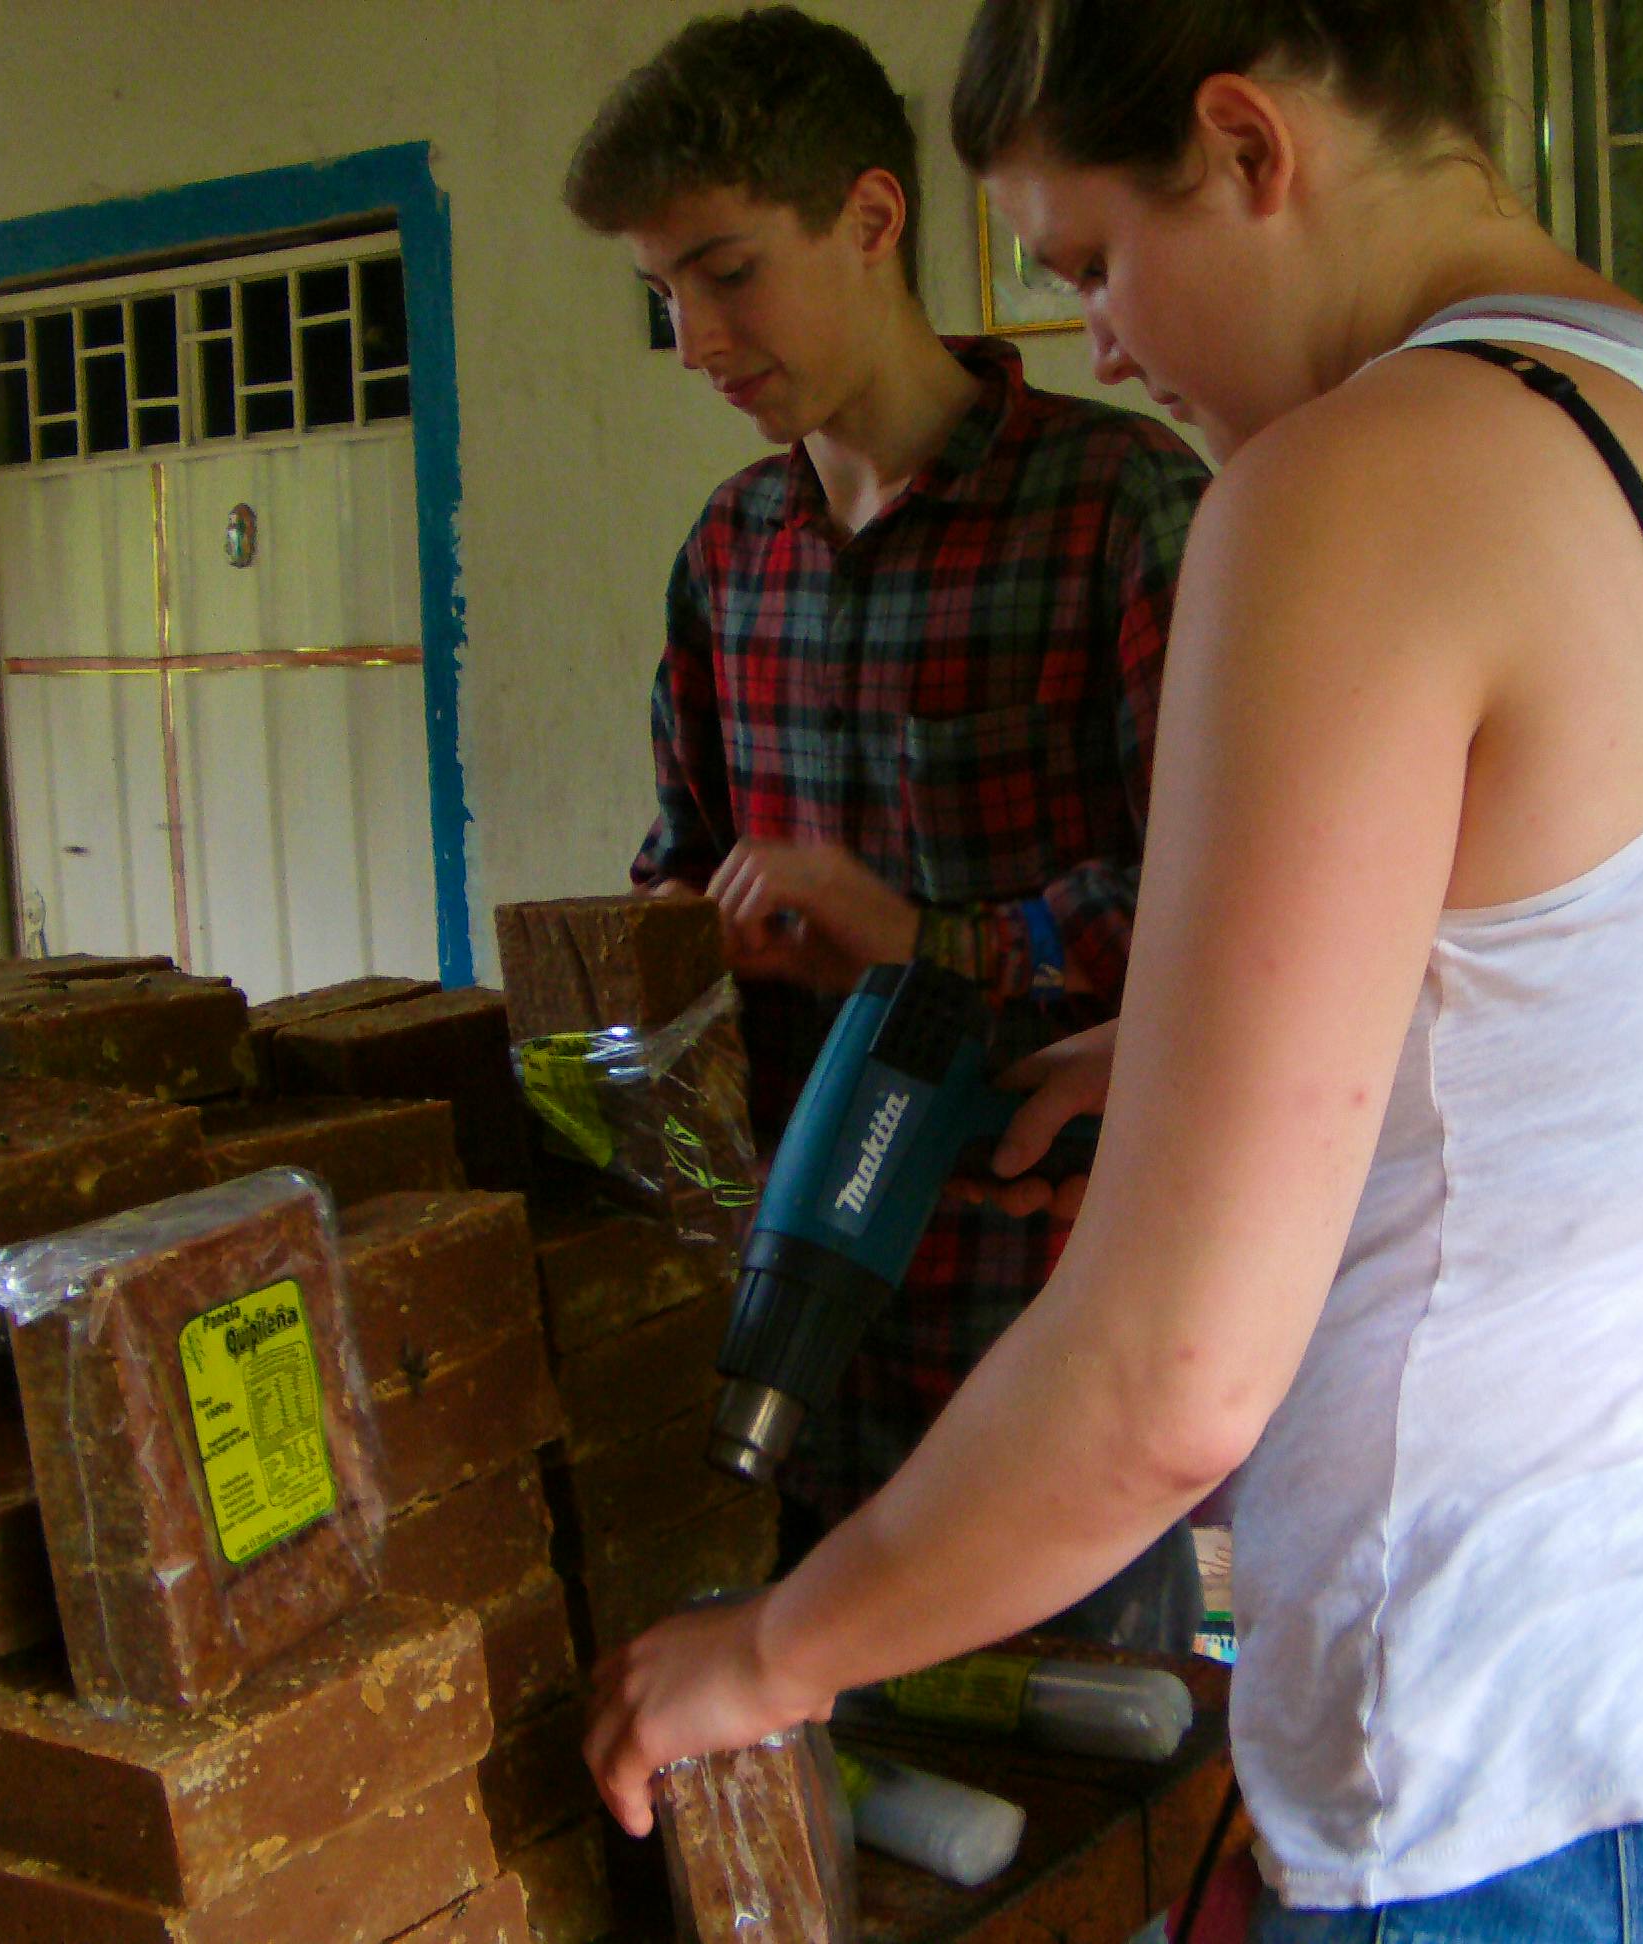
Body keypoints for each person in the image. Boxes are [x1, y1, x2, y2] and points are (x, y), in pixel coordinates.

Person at [583, 3, 1643, 1938]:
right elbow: (1630, 1001)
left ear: (1250, 149)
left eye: (1096, 260)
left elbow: (1166, 1384)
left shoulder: (1355, 484)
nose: (1098, 336)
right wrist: (1171, 1057)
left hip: (1574, 1763)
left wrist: (771, 1651)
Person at [563, 6, 1212, 1650]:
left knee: (1069, 1810)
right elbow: (673, 859)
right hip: (781, 1341)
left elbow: (1235, 916)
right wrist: (683, 942)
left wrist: (932, 945)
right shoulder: (730, 554)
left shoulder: (1118, 509)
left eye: (725, 273)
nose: (697, 338)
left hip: (1037, 1361)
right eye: (662, 297)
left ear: (869, 217)